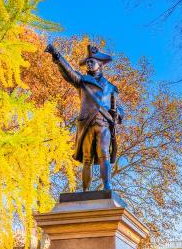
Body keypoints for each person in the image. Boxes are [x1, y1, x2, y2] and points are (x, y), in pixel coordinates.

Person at [44, 43, 123, 191]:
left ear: (99, 64)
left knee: (104, 154)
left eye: (91, 61)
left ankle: (107, 186)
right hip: (87, 124)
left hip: (104, 124)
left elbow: (120, 108)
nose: (88, 64)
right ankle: (85, 190)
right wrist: (57, 55)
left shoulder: (111, 87)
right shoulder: (82, 80)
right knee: (87, 159)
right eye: (87, 62)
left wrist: (118, 113)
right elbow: (69, 72)